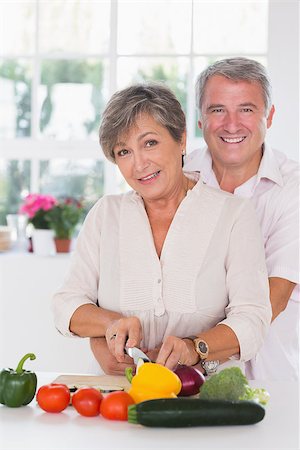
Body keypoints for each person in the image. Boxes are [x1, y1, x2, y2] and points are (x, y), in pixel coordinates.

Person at [52, 83, 271, 376]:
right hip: (116, 396)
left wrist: (195, 348)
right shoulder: (107, 214)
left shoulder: (234, 215)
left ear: (181, 140)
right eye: (124, 151)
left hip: (204, 396)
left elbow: (253, 318)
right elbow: (66, 304)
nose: (139, 164)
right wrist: (109, 324)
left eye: (150, 143)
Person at [184, 57, 299, 381]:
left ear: (270, 116)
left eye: (246, 109)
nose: (231, 124)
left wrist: (191, 346)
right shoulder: (178, 176)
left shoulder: (294, 191)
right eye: (218, 109)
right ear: (200, 120)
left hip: (267, 387)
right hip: (175, 382)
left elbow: (270, 302)